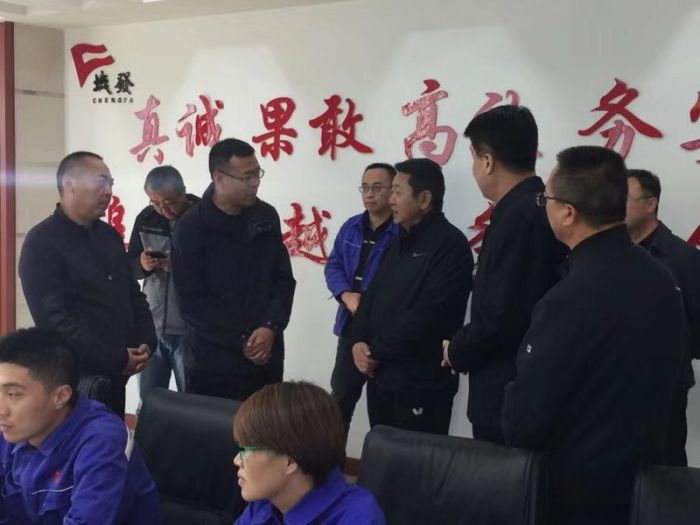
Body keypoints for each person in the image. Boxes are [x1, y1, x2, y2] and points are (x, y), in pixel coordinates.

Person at [502, 146, 684, 525]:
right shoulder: (662, 279)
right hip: (646, 486)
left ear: (567, 212)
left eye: (546, 199)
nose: (544, 207)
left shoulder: (568, 299)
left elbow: (525, 421)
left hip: (579, 494)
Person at [442, 105, 567, 444]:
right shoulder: (541, 206)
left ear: (487, 161)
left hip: (508, 390)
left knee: (503, 475)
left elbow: (502, 314)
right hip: (533, 385)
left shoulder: (518, 216)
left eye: (473, 159)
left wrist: (456, 350)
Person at [18, 151, 156, 416]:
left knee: (111, 437)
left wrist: (147, 342)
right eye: (100, 182)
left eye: (111, 183)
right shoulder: (42, 243)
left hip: (117, 375)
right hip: (76, 382)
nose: (108, 192)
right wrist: (116, 358)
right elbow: (55, 322)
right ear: (69, 184)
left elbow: (133, 294)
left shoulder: (109, 236)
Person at [347, 158, 473, 435]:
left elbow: (429, 316)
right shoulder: (397, 242)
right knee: (382, 451)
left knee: (417, 459)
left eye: (397, 191)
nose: (390, 199)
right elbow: (370, 296)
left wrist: (375, 351)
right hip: (381, 377)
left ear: (424, 199)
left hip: (420, 383)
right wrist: (357, 341)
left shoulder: (451, 246)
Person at [171, 138, 295, 401]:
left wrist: (270, 327)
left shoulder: (266, 217)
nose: (255, 183)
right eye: (247, 177)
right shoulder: (191, 228)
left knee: (265, 424)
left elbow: (283, 279)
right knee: (215, 425)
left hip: (265, 353)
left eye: (257, 174)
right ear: (219, 179)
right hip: (213, 360)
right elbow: (191, 302)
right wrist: (242, 339)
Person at [0, 328, 161, 524]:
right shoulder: (12, 429)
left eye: (13, 394)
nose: (2, 409)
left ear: (60, 396)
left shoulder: (102, 442)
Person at [625, 168, 700, 466]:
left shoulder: (683, 258)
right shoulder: (609, 254)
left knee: (665, 474)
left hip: (665, 392)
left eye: (625, 198)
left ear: (650, 203)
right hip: (615, 388)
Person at [233, 381, 385, 525]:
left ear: (289, 462)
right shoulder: (265, 501)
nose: (237, 460)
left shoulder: (358, 518)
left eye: (245, 450)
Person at [325, 163, 398, 432]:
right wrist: (345, 294)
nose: (369, 194)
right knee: (339, 403)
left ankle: (378, 458)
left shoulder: (401, 231)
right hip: (350, 325)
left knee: (384, 410)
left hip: (385, 330)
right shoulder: (351, 226)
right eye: (365, 188)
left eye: (377, 188)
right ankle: (333, 459)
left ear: (393, 190)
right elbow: (333, 265)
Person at [128, 165, 199, 397]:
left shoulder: (202, 217)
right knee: (150, 399)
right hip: (153, 326)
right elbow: (129, 267)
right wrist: (142, 264)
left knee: (192, 400)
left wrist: (178, 267)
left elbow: (218, 269)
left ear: (183, 192)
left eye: (168, 202)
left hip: (190, 329)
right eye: (155, 203)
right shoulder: (146, 218)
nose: (162, 209)